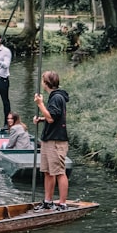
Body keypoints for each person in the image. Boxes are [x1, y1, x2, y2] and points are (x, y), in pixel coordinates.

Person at [33, 71, 69, 210]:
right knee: (47, 171)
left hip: (56, 140)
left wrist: (40, 104)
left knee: (59, 172)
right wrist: (41, 119)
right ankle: (48, 201)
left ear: (46, 83)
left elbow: (51, 118)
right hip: (48, 138)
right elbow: (53, 117)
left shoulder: (57, 97)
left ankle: (63, 203)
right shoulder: (54, 97)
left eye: (42, 80)